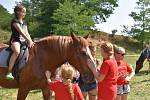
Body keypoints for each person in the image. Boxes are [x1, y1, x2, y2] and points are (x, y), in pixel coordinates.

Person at [6, 4, 34, 80]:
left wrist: (30, 41)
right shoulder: (14, 21)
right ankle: (9, 71)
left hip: (24, 41)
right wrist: (28, 40)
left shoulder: (24, 22)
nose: (25, 14)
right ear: (18, 12)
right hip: (16, 40)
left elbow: (27, 33)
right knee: (17, 51)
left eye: (25, 12)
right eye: (23, 12)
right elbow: (21, 32)